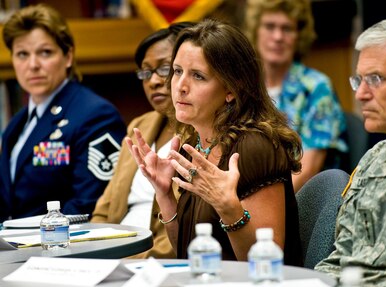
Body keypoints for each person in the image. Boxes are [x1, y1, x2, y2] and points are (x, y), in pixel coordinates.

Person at [126, 19, 303, 265]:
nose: (180, 87)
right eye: (177, 71)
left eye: (198, 76)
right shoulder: (195, 145)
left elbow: (266, 261)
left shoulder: (255, 147)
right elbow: (188, 253)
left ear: (231, 88)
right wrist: (165, 195)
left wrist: (228, 208)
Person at [315, 18, 386, 285]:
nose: (361, 94)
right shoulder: (373, 158)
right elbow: (340, 257)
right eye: (359, 80)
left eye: (376, 79)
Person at [0, 4, 126, 222]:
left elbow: (89, 204)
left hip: (61, 248)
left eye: (45, 52)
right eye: (22, 54)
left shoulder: (96, 115)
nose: (33, 65)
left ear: (68, 56)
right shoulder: (18, 124)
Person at [91, 22, 194, 259]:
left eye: (165, 69)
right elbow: (104, 210)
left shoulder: (205, 133)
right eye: (146, 72)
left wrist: (119, 260)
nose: (153, 81)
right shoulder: (141, 125)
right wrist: (90, 249)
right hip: (111, 251)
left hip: (152, 260)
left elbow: (181, 239)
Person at [244, 0, 348, 192]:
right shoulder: (242, 86)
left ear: (299, 36)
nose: (277, 37)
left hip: (300, 204)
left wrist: (257, 207)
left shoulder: (317, 87)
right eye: (269, 26)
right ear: (256, 30)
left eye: (287, 29)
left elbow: (307, 170)